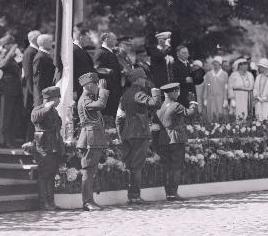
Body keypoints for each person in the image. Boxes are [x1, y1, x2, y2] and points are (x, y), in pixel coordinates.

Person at [117, 68, 161, 205]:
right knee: (137, 166)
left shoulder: (124, 95)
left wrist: (121, 135)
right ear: (137, 80)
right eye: (143, 78)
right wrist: (155, 92)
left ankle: (132, 195)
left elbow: (119, 118)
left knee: (130, 166)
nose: (145, 80)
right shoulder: (138, 94)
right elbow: (156, 104)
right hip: (140, 133)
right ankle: (135, 196)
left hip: (127, 134)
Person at [156, 82, 199, 200]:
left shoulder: (160, 106)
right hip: (176, 139)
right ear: (173, 92)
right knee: (176, 167)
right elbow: (190, 114)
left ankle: (168, 193)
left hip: (163, 139)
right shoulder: (176, 105)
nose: (178, 93)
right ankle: (173, 193)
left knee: (166, 168)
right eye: (177, 91)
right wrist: (193, 102)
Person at [76, 72, 109, 211]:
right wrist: (103, 91)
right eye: (96, 84)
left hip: (94, 138)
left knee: (91, 171)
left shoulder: (89, 98)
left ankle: (89, 200)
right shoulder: (85, 100)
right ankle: (87, 201)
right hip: (90, 139)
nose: (98, 87)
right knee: (88, 171)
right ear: (89, 85)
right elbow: (101, 104)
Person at [30, 86, 65, 210]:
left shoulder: (54, 111)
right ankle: (43, 203)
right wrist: (47, 107)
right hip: (44, 148)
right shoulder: (39, 109)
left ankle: (51, 202)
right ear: (51, 99)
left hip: (54, 146)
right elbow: (35, 118)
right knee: (44, 175)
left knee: (51, 175)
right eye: (58, 98)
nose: (59, 101)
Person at [0, 34, 23, 147]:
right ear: (6, 45)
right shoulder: (2, 55)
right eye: (11, 44)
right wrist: (10, 52)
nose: (14, 46)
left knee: (12, 116)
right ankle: (3, 140)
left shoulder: (14, 56)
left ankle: (11, 139)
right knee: (4, 117)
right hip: (6, 90)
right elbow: (1, 65)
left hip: (15, 90)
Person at [93, 32, 122, 119]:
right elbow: (96, 69)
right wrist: (109, 72)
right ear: (106, 39)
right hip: (108, 88)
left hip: (115, 88)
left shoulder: (111, 52)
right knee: (108, 114)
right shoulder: (101, 52)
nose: (115, 41)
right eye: (114, 39)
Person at [21, 30, 41, 141]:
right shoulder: (30, 52)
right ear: (34, 39)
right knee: (31, 115)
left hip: (33, 89)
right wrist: (32, 92)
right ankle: (29, 140)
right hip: (31, 90)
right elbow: (28, 73)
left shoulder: (34, 51)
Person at [32, 34, 56, 106]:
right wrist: (42, 96)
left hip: (48, 92)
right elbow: (38, 79)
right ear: (43, 43)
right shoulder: (40, 57)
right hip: (44, 95)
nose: (52, 43)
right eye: (50, 41)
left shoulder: (45, 55)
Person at [73, 27, 95, 101]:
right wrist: (73, 90)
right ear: (81, 37)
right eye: (87, 38)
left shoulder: (82, 50)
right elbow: (71, 71)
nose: (89, 40)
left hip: (85, 88)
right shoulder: (73, 50)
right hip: (78, 89)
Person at [203, 55, 228, 120]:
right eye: (214, 62)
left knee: (220, 115)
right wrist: (205, 98)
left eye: (217, 62)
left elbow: (225, 87)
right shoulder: (208, 74)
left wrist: (225, 99)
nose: (215, 63)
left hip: (220, 98)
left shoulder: (224, 74)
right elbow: (207, 85)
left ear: (220, 64)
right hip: (210, 97)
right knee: (211, 114)